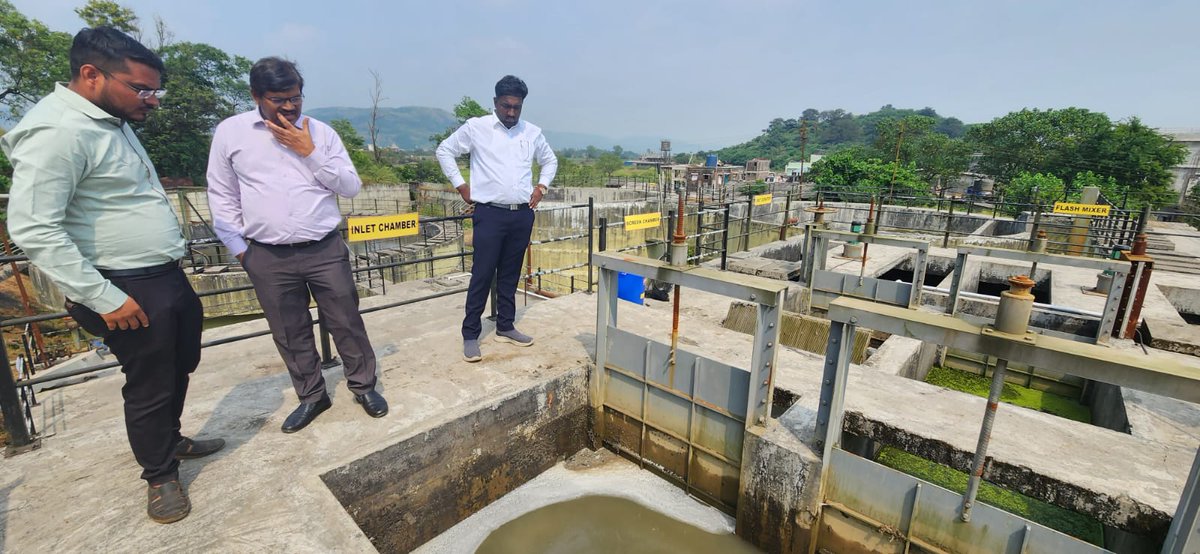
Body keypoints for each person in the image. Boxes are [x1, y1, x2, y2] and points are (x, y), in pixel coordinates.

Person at [3, 27, 223, 524]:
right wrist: (101, 297)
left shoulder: (110, 118)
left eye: (154, 90)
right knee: (149, 381)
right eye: (141, 89)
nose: (152, 100)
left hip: (162, 275)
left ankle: (170, 440)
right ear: (90, 74)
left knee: (181, 362)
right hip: (123, 284)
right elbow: (35, 228)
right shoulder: (57, 130)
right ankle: (160, 476)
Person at [206, 57, 387, 434]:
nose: (289, 107)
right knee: (289, 331)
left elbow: (350, 187)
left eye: (296, 98)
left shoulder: (321, 134)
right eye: (279, 99)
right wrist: (241, 250)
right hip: (266, 254)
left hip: (323, 249)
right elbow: (222, 196)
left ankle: (363, 386)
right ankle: (311, 395)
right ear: (256, 96)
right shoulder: (231, 134)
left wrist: (310, 151)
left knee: (346, 322)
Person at [436, 75, 557, 362]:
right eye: (506, 106)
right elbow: (445, 150)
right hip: (489, 214)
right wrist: (460, 185)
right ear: (495, 103)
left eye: (517, 107)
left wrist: (542, 187)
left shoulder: (532, 132)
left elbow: (550, 160)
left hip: (522, 214)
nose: (511, 112)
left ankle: (505, 325)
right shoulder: (476, 128)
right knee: (482, 273)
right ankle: (470, 334)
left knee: (510, 274)